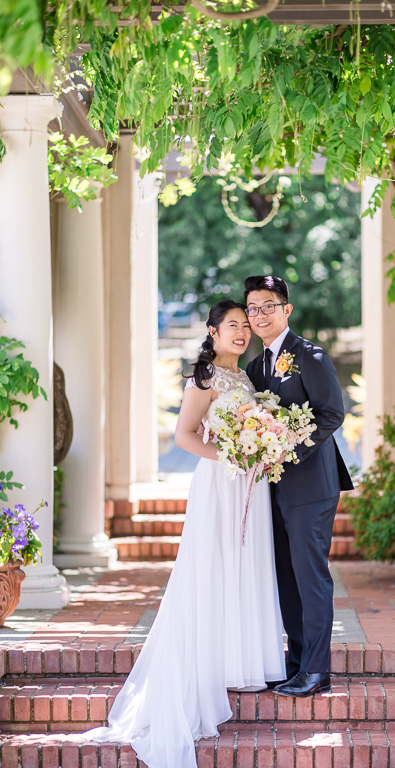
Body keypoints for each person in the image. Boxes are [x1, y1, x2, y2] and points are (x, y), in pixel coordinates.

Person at [83, 300, 285, 768]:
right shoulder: (207, 378)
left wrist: (262, 449)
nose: (240, 333)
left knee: (246, 564)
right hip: (220, 484)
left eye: (243, 326)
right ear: (212, 333)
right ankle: (206, 662)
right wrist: (233, 457)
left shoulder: (247, 377)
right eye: (230, 326)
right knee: (212, 568)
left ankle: (241, 659)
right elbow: (184, 436)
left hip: (248, 486)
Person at [245, 275, 354, 698]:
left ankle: (317, 670)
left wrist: (287, 450)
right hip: (272, 490)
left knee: (310, 576)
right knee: (285, 577)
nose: (259, 315)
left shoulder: (310, 355)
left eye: (268, 306)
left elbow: (331, 414)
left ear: (286, 309)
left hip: (311, 486)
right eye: (253, 308)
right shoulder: (256, 367)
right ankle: (296, 664)